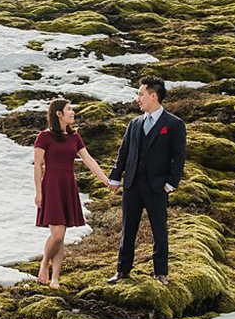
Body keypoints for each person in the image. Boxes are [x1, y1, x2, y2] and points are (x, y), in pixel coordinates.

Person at [106, 76, 187, 286]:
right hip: (132, 185)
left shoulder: (174, 124)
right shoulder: (134, 124)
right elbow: (123, 153)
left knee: (159, 230)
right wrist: (115, 177)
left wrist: (171, 182)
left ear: (153, 96)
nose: (138, 98)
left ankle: (161, 273)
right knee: (128, 230)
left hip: (157, 187)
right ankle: (122, 271)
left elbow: (179, 157)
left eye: (141, 94)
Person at [34, 97, 113, 287]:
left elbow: (89, 160)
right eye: (69, 109)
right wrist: (38, 193)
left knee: (62, 234)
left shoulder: (74, 137)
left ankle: (55, 278)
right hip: (51, 185)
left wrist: (105, 180)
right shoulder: (43, 137)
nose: (73, 112)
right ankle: (45, 264)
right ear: (58, 114)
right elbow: (37, 166)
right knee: (58, 234)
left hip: (68, 185)